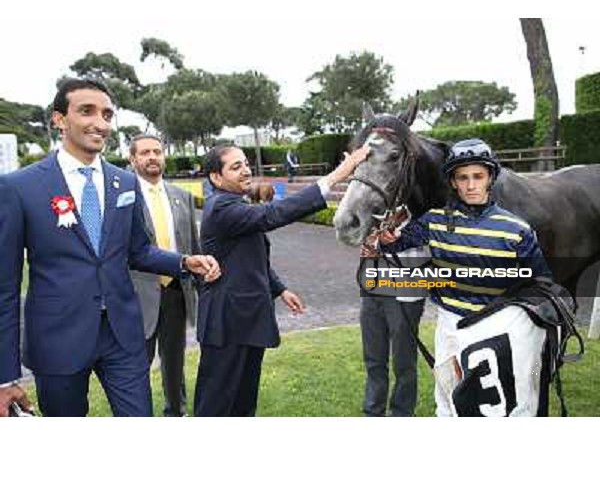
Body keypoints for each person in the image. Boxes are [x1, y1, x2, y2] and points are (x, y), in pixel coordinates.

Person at [0, 78, 220, 417]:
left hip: (122, 335)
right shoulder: (19, 187)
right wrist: (5, 375)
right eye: (87, 112)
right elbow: (5, 288)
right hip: (58, 340)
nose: (100, 123)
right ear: (59, 119)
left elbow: (139, 251)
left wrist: (185, 262)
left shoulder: (126, 182)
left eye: (106, 114)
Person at [194, 143, 370, 416]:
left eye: (245, 163)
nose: (245, 171)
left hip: (245, 321)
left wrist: (280, 289)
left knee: (242, 404)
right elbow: (273, 214)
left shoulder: (233, 203)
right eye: (235, 166)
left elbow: (248, 258)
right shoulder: (220, 208)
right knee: (216, 407)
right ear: (216, 178)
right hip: (226, 325)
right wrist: (339, 174)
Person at [379, 138, 551, 416]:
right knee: (449, 401)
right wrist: (387, 239)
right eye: (463, 178)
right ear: (453, 182)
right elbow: (397, 244)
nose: (471, 185)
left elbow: (541, 283)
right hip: (450, 327)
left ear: (490, 178)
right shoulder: (432, 221)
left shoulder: (517, 230)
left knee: (508, 407)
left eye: (478, 176)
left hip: (499, 330)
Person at [129, 134, 200, 417]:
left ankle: (177, 413)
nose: (152, 157)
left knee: (174, 362)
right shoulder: (123, 197)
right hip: (137, 296)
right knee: (136, 365)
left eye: (157, 151)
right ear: (133, 159)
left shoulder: (182, 197)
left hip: (176, 293)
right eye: (145, 152)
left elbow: (193, 246)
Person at [359, 246, 429, 417]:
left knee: (403, 361)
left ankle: (402, 413)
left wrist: (386, 244)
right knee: (373, 358)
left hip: (407, 286)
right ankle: (373, 412)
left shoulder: (422, 218)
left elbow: (423, 233)